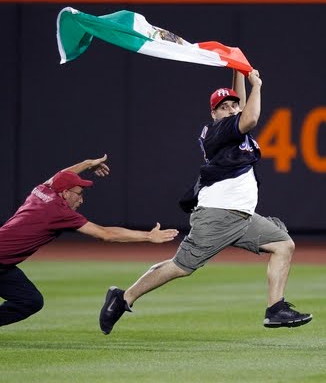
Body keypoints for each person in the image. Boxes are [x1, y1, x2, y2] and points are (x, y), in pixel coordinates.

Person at [99, 70, 312, 336]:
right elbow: (251, 117)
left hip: (242, 217)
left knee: (283, 244)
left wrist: (237, 70)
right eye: (223, 107)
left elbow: (242, 109)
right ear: (214, 114)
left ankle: (275, 309)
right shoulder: (219, 129)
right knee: (181, 267)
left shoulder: (232, 127)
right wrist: (255, 84)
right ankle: (123, 297)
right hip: (218, 215)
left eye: (233, 105)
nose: (231, 109)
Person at [0, 154, 178, 327]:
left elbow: (60, 175)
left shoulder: (41, 191)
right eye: (78, 193)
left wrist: (87, 164)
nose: (82, 199)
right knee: (28, 300)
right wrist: (147, 236)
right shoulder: (59, 212)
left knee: (29, 301)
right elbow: (105, 234)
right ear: (64, 193)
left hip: (4, 265)